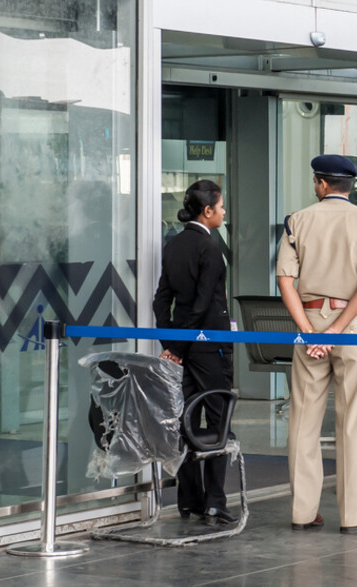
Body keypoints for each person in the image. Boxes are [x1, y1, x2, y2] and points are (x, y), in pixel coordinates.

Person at [277, 154, 357, 533]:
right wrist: (336, 329)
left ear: (321, 184)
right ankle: (356, 515)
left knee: (303, 420)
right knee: (354, 419)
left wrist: (311, 330)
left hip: (309, 323)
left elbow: (285, 281)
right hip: (351, 324)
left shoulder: (297, 221)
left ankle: (303, 512)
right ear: (350, 186)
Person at [152, 179, 237, 526]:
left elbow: (161, 299)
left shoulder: (173, 245)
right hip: (210, 346)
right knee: (218, 421)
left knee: (184, 420)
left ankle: (188, 500)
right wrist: (179, 347)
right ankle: (215, 502)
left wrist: (170, 344)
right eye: (221, 206)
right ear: (207, 210)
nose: (224, 212)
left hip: (182, 347)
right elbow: (202, 306)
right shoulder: (209, 248)